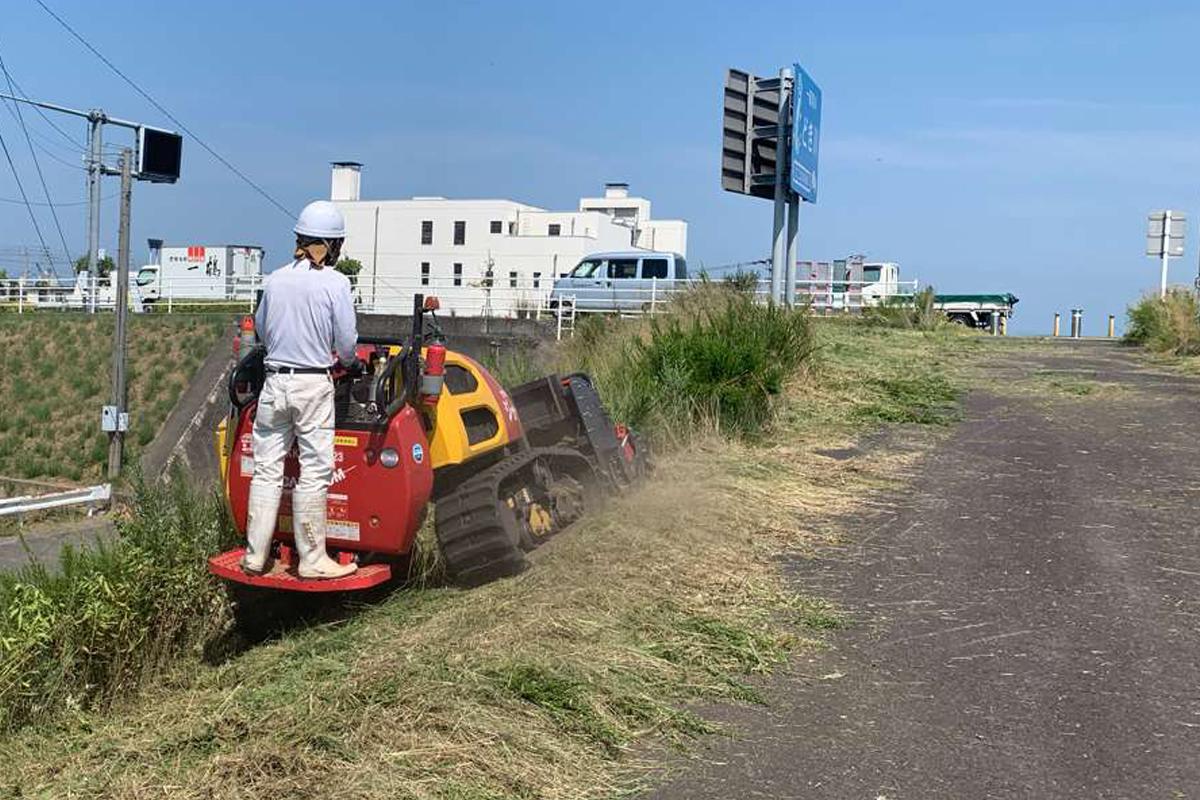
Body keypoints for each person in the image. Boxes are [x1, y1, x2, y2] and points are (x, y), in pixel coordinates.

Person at [240, 200, 361, 579]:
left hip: (274, 384)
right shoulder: (336, 283)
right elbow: (345, 344)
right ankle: (312, 560)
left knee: (267, 469)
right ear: (332, 245)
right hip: (312, 385)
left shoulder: (274, 280)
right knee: (315, 469)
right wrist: (352, 363)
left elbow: (260, 330)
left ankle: (255, 556)